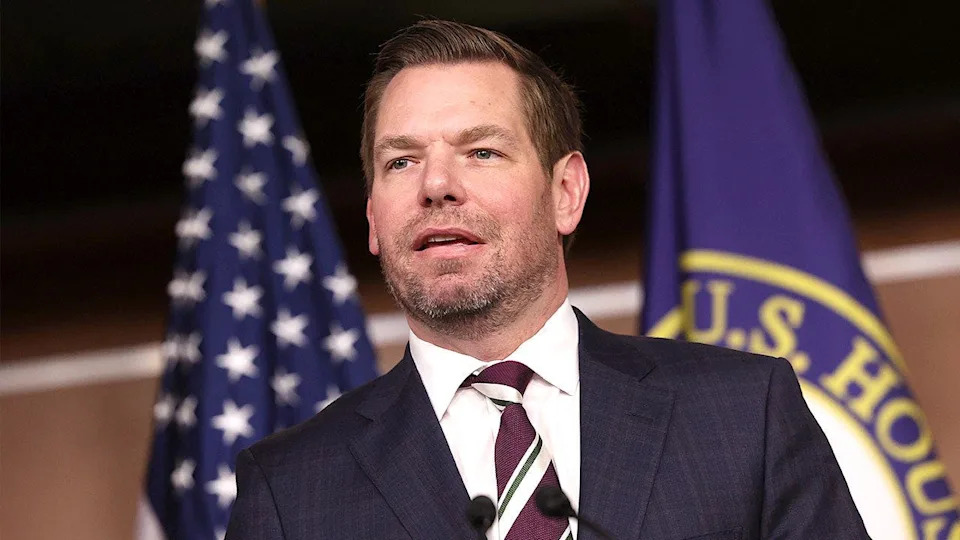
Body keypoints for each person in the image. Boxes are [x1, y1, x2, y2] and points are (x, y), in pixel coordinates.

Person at [226, 20, 868, 540]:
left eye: (481, 152)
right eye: (401, 161)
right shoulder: (291, 489)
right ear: (372, 218)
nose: (436, 186)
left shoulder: (740, 414)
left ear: (566, 192)